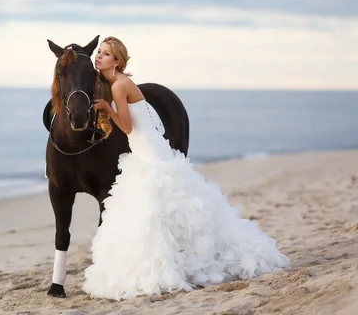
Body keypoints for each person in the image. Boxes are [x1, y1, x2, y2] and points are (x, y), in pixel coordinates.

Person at [82, 36, 290, 300]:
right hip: (146, 149)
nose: (98, 56)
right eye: (98, 52)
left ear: (117, 61)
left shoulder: (120, 86)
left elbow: (127, 127)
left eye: (105, 53)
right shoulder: (117, 84)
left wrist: (105, 109)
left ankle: (177, 263)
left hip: (149, 151)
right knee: (156, 208)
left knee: (158, 206)